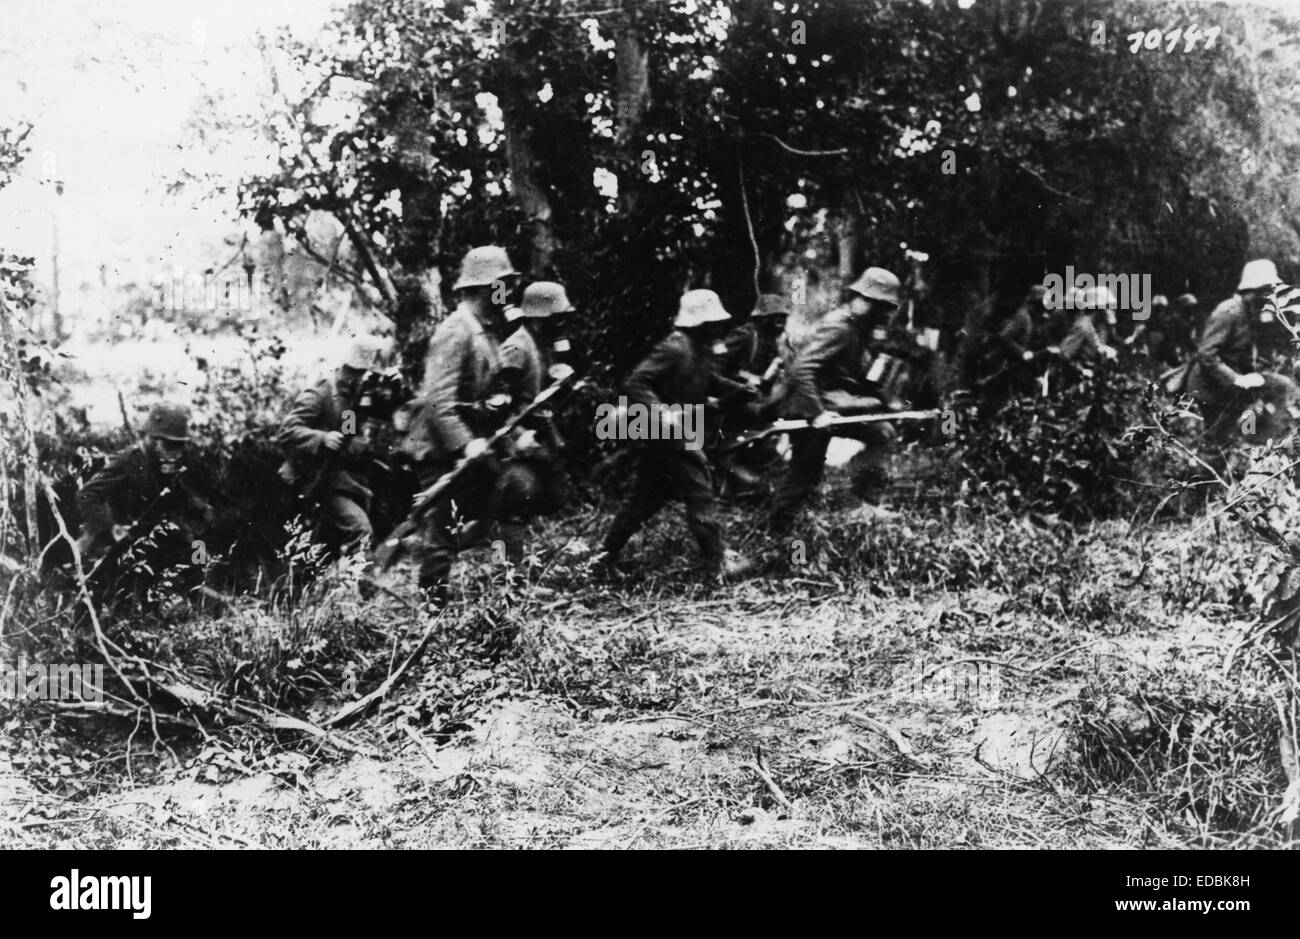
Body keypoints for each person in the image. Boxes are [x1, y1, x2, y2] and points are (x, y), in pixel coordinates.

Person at [599, 289, 753, 580]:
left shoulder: (699, 348)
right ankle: (716, 563)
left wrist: (736, 390)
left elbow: (707, 379)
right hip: (669, 432)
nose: (719, 327)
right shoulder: (676, 347)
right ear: (699, 322)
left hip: (677, 429)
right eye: (713, 322)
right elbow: (636, 382)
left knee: (646, 497)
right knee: (700, 489)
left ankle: (602, 559)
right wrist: (662, 414)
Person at [400, 245, 525, 600]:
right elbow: (439, 400)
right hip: (442, 451)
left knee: (502, 514)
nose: (509, 293)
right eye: (503, 285)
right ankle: (431, 611)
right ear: (486, 289)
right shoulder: (456, 330)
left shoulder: (485, 332)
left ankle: (509, 595)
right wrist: (466, 443)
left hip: (472, 446)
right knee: (442, 534)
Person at [765, 266, 902, 534]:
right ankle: (777, 535)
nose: (886, 315)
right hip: (809, 408)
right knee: (804, 475)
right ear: (869, 302)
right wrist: (817, 414)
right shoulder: (839, 326)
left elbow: (846, 378)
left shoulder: (858, 329)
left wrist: (881, 402)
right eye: (884, 307)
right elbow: (801, 369)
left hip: (831, 406)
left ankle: (865, 502)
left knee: (882, 433)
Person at [278, 336, 391, 556]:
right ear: (357, 371)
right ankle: (360, 587)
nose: (374, 383)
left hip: (339, 480)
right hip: (314, 480)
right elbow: (288, 430)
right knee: (360, 531)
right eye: (372, 376)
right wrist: (322, 438)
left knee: (319, 549)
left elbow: (348, 428)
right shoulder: (320, 393)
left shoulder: (353, 397)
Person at [75, 402, 213, 561]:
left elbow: (172, 490)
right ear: (153, 439)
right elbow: (87, 494)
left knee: (200, 562)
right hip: (120, 541)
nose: (176, 452)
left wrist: (197, 506)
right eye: (169, 445)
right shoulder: (129, 460)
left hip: (154, 534)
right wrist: (110, 527)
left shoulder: (163, 462)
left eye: (179, 445)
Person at [491, 280, 577, 519]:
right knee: (520, 492)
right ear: (539, 318)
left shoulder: (544, 345)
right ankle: (503, 551)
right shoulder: (517, 348)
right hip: (515, 439)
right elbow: (496, 403)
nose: (562, 325)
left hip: (541, 434)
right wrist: (516, 437)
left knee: (555, 496)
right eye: (557, 318)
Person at [1188, 259, 1287, 451]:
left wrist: (1253, 371)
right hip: (1210, 387)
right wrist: (1235, 379)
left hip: (1230, 386)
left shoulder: (1248, 312)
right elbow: (1206, 353)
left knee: (1280, 387)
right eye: (1264, 291)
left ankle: (1255, 445)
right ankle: (1205, 472)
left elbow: (1240, 352)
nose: (1268, 296)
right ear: (1251, 291)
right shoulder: (1229, 312)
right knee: (1215, 441)